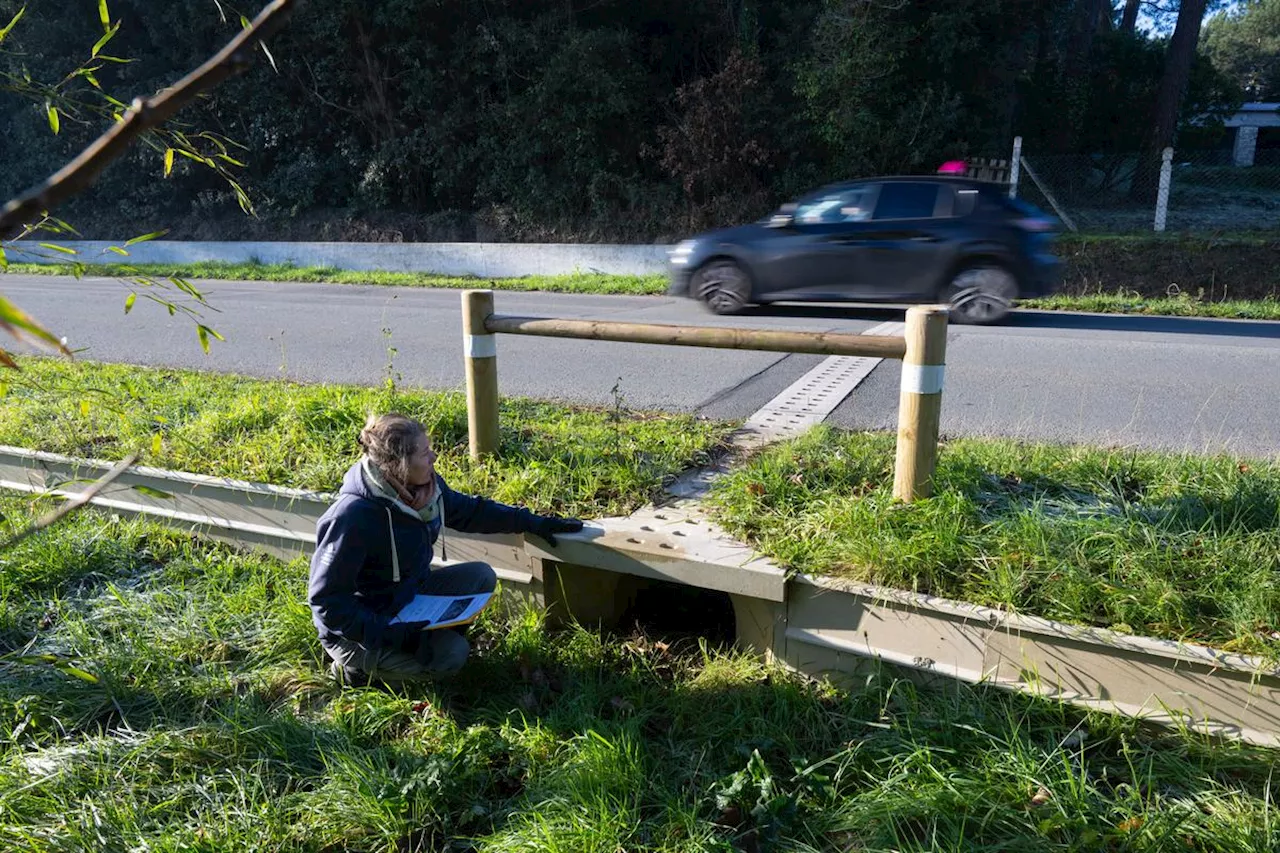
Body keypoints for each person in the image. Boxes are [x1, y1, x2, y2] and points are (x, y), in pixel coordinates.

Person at [308, 412, 584, 685]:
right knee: (452, 655)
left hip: (406, 598)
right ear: (398, 465)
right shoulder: (352, 517)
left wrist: (534, 522)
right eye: (425, 453)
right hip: (361, 629)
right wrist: (395, 636)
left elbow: (471, 512)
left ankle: (426, 642)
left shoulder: (424, 490)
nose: (434, 458)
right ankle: (354, 672)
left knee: (480, 576)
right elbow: (328, 603)